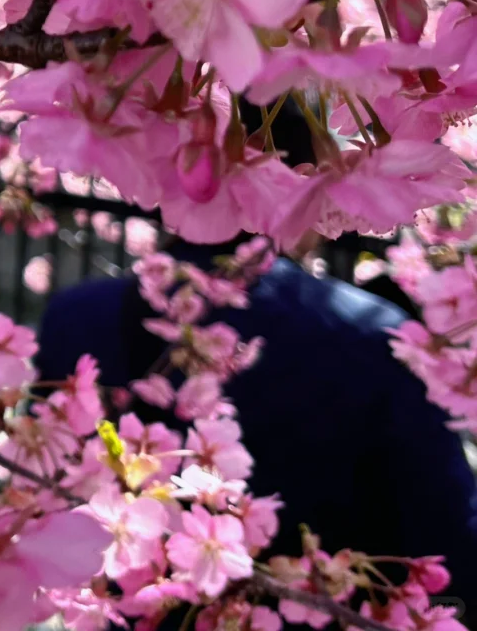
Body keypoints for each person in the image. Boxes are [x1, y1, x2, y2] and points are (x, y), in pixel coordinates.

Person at [34, 100, 477, 617]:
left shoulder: (75, 317)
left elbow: (50, 490)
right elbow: (443, 527)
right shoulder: (374, 335)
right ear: (301, 183)